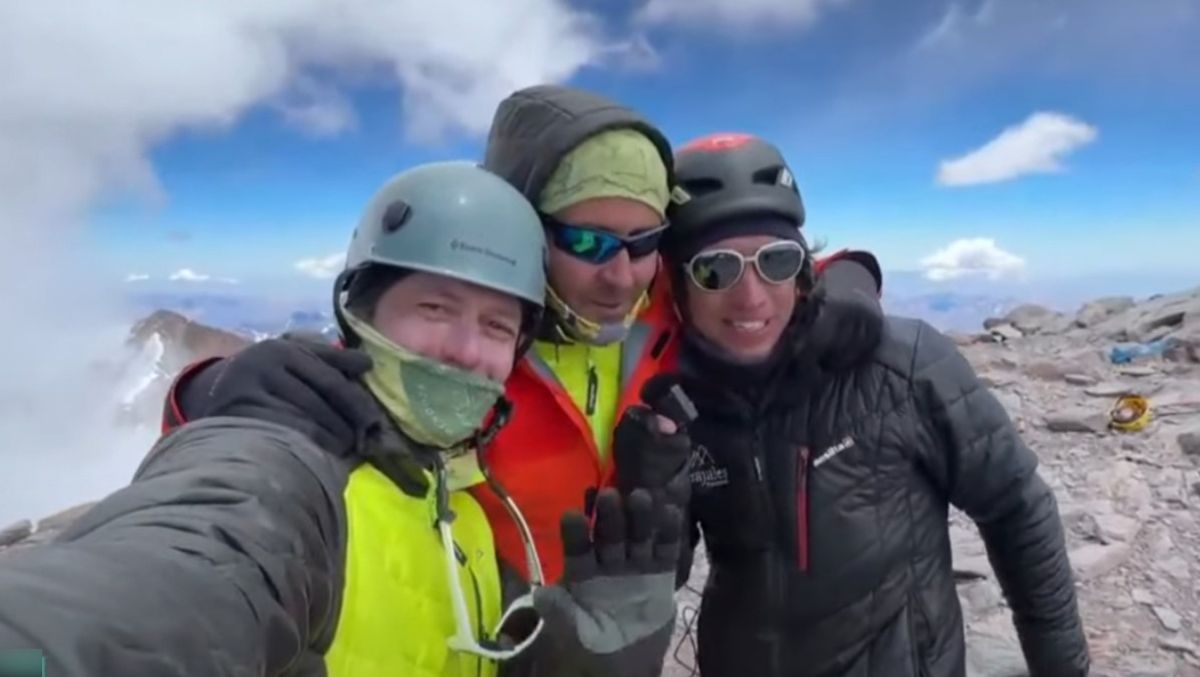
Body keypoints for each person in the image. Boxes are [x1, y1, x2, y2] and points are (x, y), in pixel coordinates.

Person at [158, 84, 889, 588]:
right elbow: (315, 410)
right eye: (587, 242)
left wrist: (849, 278)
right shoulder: (473, 344)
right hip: (487, 627)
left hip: (620, 623)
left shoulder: (660, 296)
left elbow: (758, 269)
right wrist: (212, 393)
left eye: (643, 241)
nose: (620, 275)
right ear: (526, 231)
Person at [0, 162, 685, 677]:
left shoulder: (465, 514)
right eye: (435, 308)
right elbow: (172, 578)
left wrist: (600, 645)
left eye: (497, 325)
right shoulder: (294, 476)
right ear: (358, 313)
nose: (465, 350)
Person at [659, 132, 1091, 677]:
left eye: (775, 260)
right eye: (715, 269)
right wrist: (652, 483)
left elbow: (1016, 508)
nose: (751, 296)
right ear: (676, 284)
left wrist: (1062, 667)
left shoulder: (902, 365)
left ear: (803, 269)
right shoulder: (674, 399)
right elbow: (661, 573)